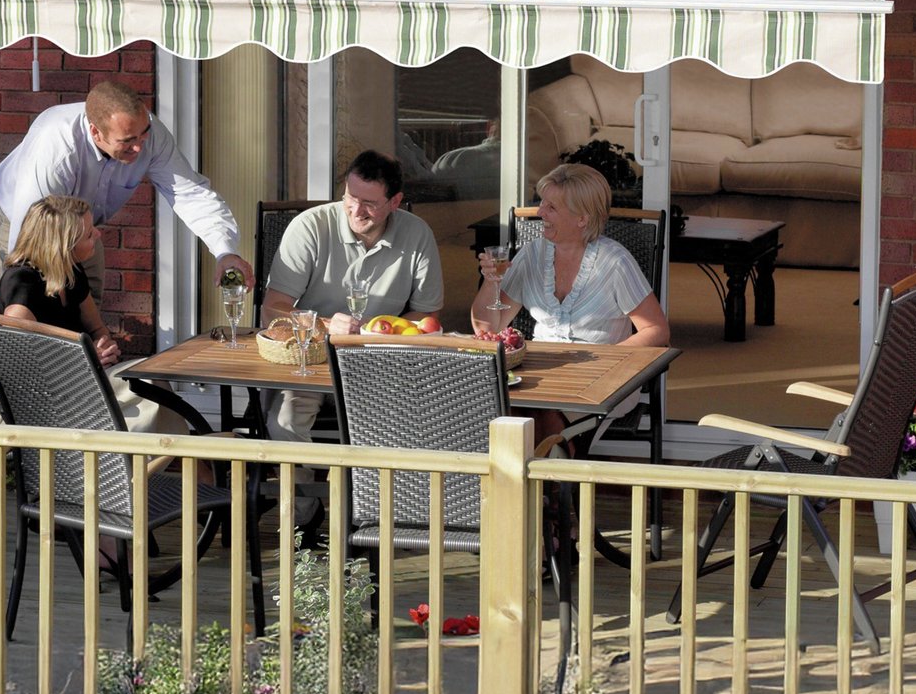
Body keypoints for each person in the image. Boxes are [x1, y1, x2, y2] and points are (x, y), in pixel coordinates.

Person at [262, 149, 444, 524]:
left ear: (395, 202)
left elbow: (427, 315)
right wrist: (325, 325)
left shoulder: (416, 233)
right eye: (350, 197)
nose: (356, 210)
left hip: (381, 364)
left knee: (408, 422)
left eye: (369, 204)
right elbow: (273, 310)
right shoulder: (310, 227)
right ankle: (304, 515)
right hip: (312, 358)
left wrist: (381, 332)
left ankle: (373, 519)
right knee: (284, 422)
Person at [0, 80, 252, 301]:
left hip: (83, 228)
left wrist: (225, 251)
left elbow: (190, 193)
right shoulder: (56, 147)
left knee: (89, 317)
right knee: (31, 307)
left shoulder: (150, 134)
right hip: (25, 221)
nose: (139, 147)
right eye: (127, 141)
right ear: (95, 132)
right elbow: (30, 237)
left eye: (143, 134)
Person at [0, 195, 183, 437]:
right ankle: (147, 457)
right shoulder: (23, 283)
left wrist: (104, 345)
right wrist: (85, 362)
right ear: (64, 245)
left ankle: (163, 456)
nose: (98, 235)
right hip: (16, 402)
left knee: (148, 378)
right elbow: (19, 363)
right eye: (89, 234)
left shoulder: (71, 271)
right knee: (145, 389)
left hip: (66, 386)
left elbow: (97, 328)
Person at [471, 162, 669, 348]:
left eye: (552, 207)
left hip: (600, 368)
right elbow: (488, 329)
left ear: (582, 219)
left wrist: (611, 361)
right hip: (540, 366)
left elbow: (657, 330)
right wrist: (491, 282)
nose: (540, 212)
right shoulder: (532, 254)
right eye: (542, 203)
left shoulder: (614, 262)